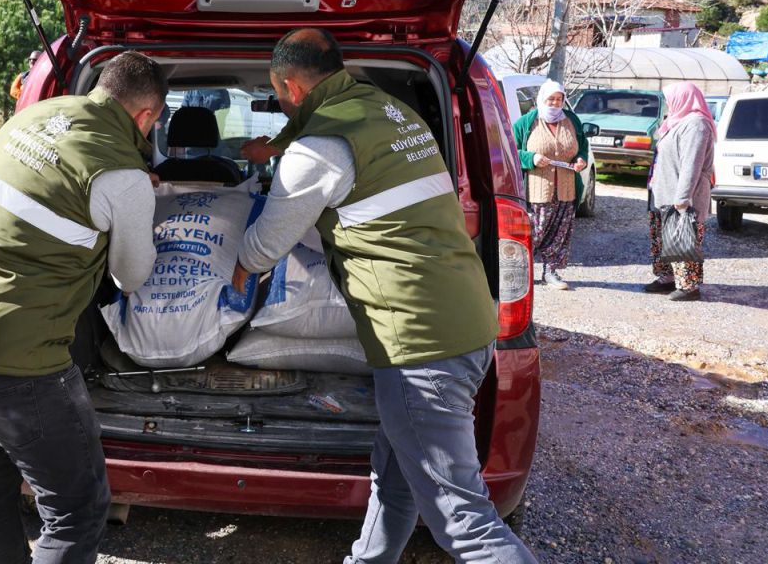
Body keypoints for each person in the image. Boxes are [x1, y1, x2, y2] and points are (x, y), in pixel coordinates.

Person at [233, 29, 536, 564]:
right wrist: (274, 148)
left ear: (290, 87)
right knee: (394, 474)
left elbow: (267, 244)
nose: (281, 103)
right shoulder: (387, 112)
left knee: (464, 524)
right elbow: (321, 138)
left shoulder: (318, 149)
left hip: (421, 345)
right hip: (468, 321)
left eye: (278, 94)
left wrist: (239, 270)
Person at [0, 51, 165, 564]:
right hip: (12, 361)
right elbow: (132, 277)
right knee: (78, 509)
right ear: (147, 116)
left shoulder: (32, 117)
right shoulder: (123, 174)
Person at [511, 79, 589, 290]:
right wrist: (531, 158)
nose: (555, 103)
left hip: (566, 189)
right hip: (537, 190)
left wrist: (581, 159)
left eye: (559, 99)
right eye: (551, 99)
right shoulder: (526, 123)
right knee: (534, 233)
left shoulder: (571, 120)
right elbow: (510, 151)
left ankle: (550, 272)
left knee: (559, 234)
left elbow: (582, 146)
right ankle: (519, 271)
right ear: (542, 99)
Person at [644, 81, 715, 302]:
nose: (667, 104)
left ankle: (689, 287)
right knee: (664, 239)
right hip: (664, 191)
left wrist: (683, 198)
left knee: (683, 239)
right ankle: (668, 278)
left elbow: (691, 164)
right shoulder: (675, 121)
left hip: (682, 195)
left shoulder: (696, 125)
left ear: (683, 99)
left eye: (669, 99)